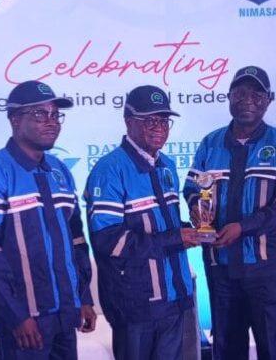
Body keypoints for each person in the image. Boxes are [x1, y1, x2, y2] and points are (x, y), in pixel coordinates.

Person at [183, 66, 276, 360]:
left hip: (267, 270)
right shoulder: (210, 143)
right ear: (229, 97)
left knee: (272, 349)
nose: (248, 99)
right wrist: (197, 210)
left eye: (257, 94)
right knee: (227, 349)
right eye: (240, 93)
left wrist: (244, 227)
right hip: (221, 266)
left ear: (267, 100)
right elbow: (192, 187)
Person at [0, 80, 96, 360]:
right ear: (15, 120)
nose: (51, 122)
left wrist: (84, 298)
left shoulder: (60, 171)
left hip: (65, 313)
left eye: (55, 115)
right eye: (40, 114)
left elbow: (76, 240)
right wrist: (16, 316)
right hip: (24, 323)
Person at [84, 85, 198, 360]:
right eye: (150, 121)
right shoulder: (109, 170)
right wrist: (176, 238)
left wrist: (193, 229)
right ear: (128, 122)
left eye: (164, 120)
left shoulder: (167, 165)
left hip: (174, 297)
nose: (159, 128)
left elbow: (163, 224)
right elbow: (109, 241)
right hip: (134, 304)